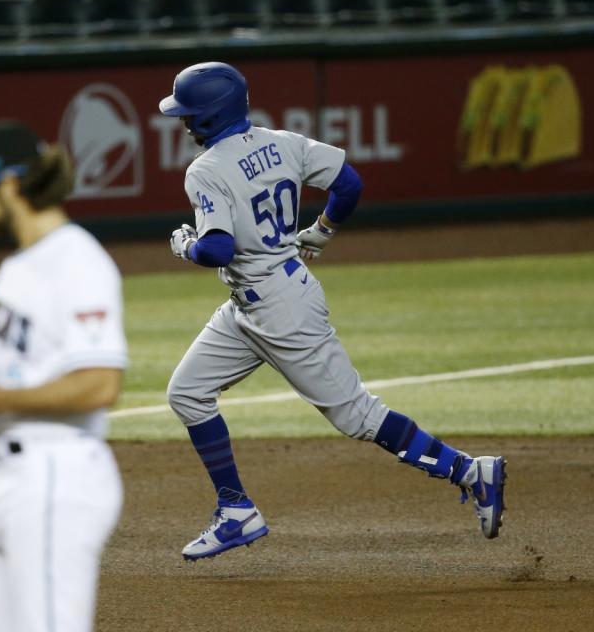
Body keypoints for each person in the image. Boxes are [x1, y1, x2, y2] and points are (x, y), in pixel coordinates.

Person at [158, 62, 506, 561]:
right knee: (187, 393)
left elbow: (215, 248)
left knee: (358, 416)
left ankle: (471, 471)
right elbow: (350, 184)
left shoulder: (206, 171)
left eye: (189, 115)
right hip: (252, 305)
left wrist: (185, 246)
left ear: (210, 117)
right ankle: (236, 510)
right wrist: (322, 230)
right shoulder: (286, 142)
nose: (184, 124)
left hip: (282, 312)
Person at [0, 120, 127, 631]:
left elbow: (99, 385)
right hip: (11, 479)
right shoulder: (18, 267)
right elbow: (10, 386)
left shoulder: (77, 262)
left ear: (11, 183)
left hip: (54, 479)